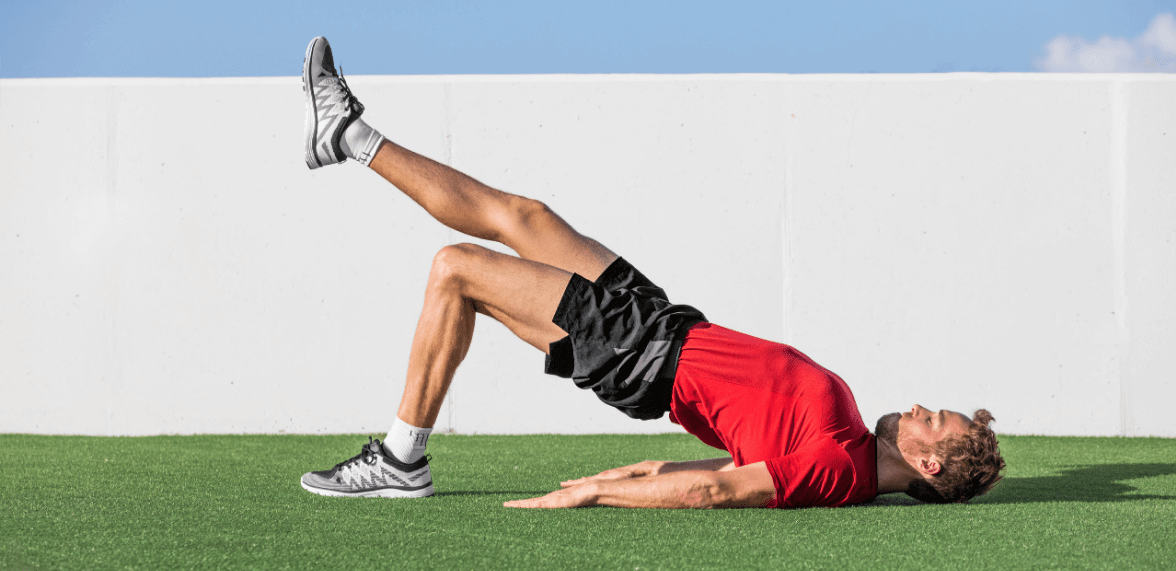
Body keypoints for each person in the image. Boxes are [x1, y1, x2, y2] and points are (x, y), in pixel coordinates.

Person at [296, 37, 1005, 508]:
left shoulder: (842, 470)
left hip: (641, 354)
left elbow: (724, 492)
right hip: (662, 323)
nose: (918, 407)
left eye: (931, 421)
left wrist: (596, 495)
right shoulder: (847, 436)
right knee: (524, 214)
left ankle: (401, 458)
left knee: (456, 270)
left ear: (931, 466)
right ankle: (349, 135)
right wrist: (642, 472)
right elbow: (716, 470)